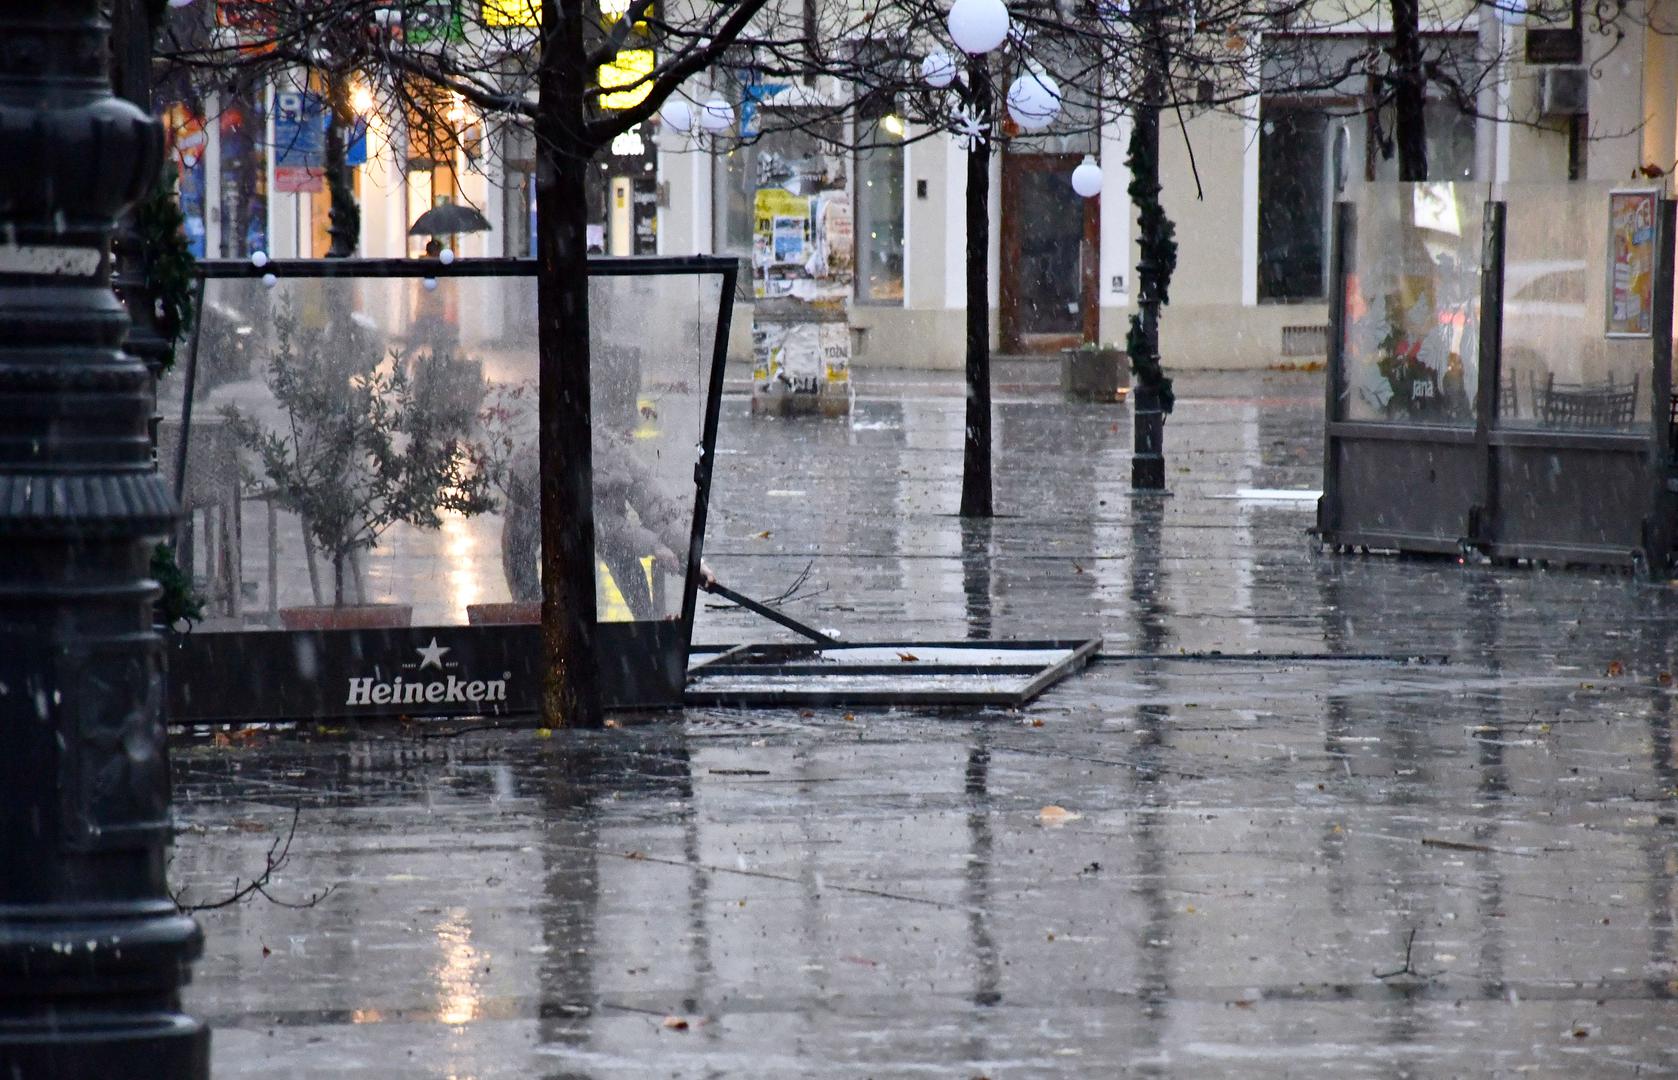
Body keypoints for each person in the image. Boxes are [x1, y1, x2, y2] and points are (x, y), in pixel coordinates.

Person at [499, 348, 707, 617]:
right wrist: (654, 546)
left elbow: (655, 506)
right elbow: (597, 525)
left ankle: (645, 624)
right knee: (535, 576)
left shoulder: (612, 451)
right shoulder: (535, 464)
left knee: (622, 557)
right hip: (539, 542)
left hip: (588, 541)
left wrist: (692, 559)